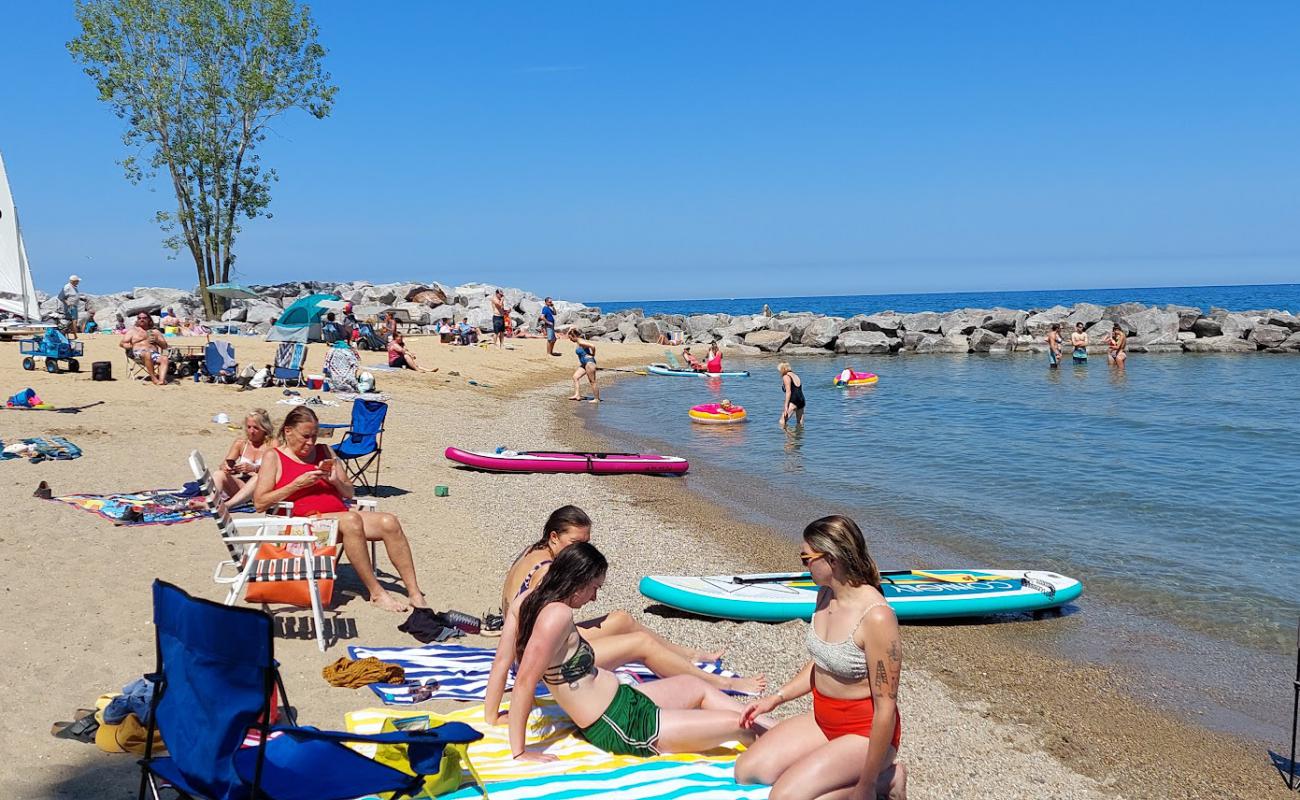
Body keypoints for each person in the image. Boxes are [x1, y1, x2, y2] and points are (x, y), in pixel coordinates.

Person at [484, 507, 765, 725]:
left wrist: (490, 714)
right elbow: (533, 646)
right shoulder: (547, 575)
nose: (582, 550)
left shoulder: (533, 553)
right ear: (554, 537)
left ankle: (689, 654)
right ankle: (721, 683)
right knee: (640, 643)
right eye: (575, 543)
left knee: (621, 619)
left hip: (537, 644)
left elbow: (506, 650)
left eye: (586, 542)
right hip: (548, 657)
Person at [506, 542, 768, 760]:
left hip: (625, 701)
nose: (595, 597)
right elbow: (525, 681)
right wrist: (519, 752)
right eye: (595, 587)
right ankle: (787, 751)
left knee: (695, 685)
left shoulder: (541, 601)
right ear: (579, 581)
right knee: (740, 727)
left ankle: (777, 727)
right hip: (623, 726)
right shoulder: (556, 615)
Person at [734, 515, 907, 800]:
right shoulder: (824, 595)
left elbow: (885, 707)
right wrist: (775, 699)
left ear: (832, 560)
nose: (803, 566)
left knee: (784, 797)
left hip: (864, 733)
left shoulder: (876, 617)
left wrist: (866, 784)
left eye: (806, 559)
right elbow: (824, 661)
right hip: (823, 719)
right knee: (747, 770)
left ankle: (885, 780)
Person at [254, 406, 426, 613]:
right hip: (301, 526)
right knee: (351, 521)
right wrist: (296, 485)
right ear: (288, 431)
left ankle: (414, 592)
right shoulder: (274, 457)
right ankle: (377, 593)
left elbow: (349, 492)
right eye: (305, 436)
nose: (310, 442)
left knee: (389, 522)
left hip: (336, 517)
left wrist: (336, 481)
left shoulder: (325, 451)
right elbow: (260, 503)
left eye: (314, 436)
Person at [213, 409, 276, 509]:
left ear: (264, 428)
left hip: (262, 489)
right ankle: (213, 502)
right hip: (243, 487)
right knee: (219, 474)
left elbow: (276, 470)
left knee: (257, 478)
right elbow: (224, 464)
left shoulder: (272, 444)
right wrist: (228, 468)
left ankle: (228, 505)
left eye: (256, 428)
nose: (251, 431)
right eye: (249, 427)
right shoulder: (241, 443)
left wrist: (254, 469)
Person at [119, 312, 171, 385]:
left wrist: (157, 340)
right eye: (139, 318)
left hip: (154, 354)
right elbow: (122, 343)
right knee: (147, 353)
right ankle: (154, 378)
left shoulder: (155, 332)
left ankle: (161, 380)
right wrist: (130, 346)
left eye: (144, 318)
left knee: (164, 359)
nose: (141, 320)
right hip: (138, 353)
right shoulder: (132, 331)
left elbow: (165, 346)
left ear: (149, 319)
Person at [567, 328, 600, 402]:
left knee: (592, 381)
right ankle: (577, 395)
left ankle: (596, 399)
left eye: (570, 338)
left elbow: (592, 346)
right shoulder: (579, 341)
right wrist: (570, 329)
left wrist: (592, 355)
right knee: (575, 377)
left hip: (589, 363)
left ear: (574, 336)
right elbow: (572, 328)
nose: (570, 340)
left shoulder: (581, 342)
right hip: (584, 364)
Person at [779, 362, 805, 430]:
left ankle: (788, 439)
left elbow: (788, 392)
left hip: (794, 400)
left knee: (782, 421)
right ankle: (799, 440)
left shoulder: (786, 376)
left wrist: (785, 407)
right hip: (802, 400)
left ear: (783, 369)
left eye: (780, 370)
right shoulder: (796, 375)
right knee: (800, 424)